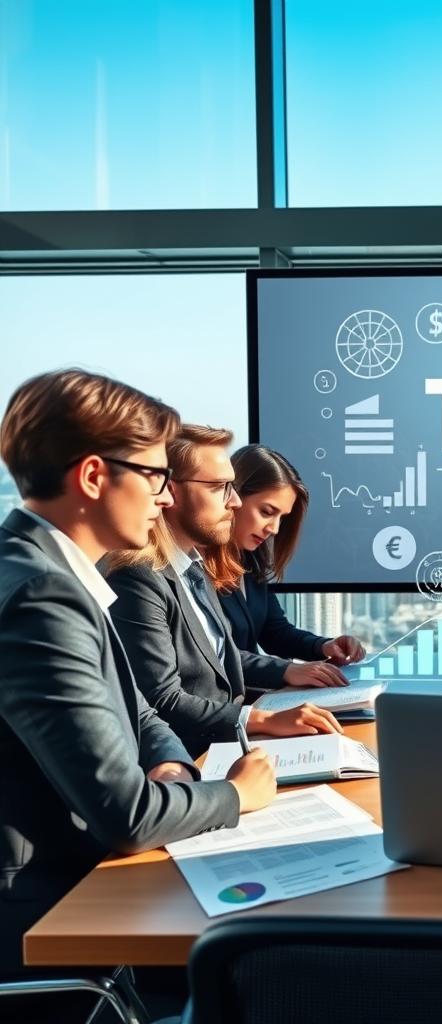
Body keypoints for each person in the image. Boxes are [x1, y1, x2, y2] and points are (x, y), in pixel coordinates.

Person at [0, 371, 275, 1014]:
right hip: (52, 919)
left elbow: (140, 708)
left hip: (91, 888)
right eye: (155, 476)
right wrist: (238, 795)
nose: (165, 496)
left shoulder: (55, 571)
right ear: (95, 477)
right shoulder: (41, 595)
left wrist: (173, 766)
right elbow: (128, 817)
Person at [105, 425, 343, 758]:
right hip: (196, 755)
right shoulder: (138, 577)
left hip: (231, 741)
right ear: (170, 492)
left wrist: (318, 651)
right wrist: (264, 718)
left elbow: (226, 658)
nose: (234, 501)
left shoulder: (194, 568)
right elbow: (162, 700)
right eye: (220, 487)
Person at [204, 443, 365, 691]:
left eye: (282, 517)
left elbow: (274, 631)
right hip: (221, 705)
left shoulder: (250, 561)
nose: (275, 529)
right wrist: (286, 670)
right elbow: (211, 654)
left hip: (249, 697)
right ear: (233, 496)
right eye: (267, 511)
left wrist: (323, 646)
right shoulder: (196, 567)